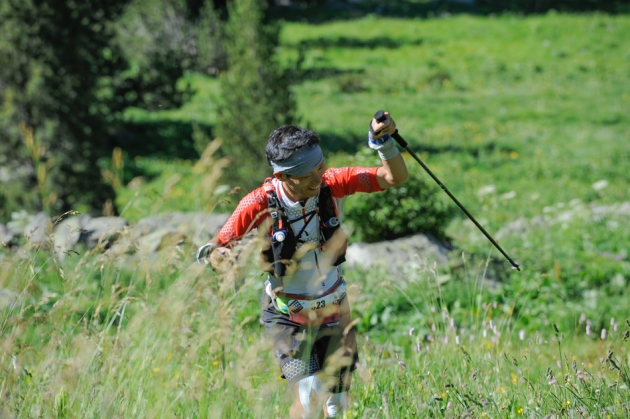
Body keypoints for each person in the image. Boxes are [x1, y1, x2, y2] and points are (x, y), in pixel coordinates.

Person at [196, 112, 408, 418]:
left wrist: (383, 142)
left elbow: (394, 178)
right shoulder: (257, 203)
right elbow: (217, 249)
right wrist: (222, 259)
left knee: (336, 404)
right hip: (287, 316)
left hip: (335, 308)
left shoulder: (333, 184)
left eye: (319, 167)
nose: (317, 178)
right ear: (282, 176)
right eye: (306, 174)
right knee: (308, 398)